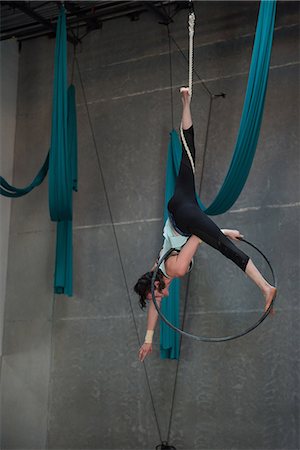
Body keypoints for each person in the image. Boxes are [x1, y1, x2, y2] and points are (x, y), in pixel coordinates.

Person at [134, 87, 276, 362]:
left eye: (158, 294)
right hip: (179, 208)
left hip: (187, 218)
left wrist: (221, 234)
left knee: (227, 250)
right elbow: (154, 303)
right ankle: (186, 101)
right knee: (188, 157)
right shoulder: (157, 267)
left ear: (158, 286)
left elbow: (199, 238)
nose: (161, 297)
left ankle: (265, 287)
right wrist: (148, 338)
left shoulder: (175, 269)